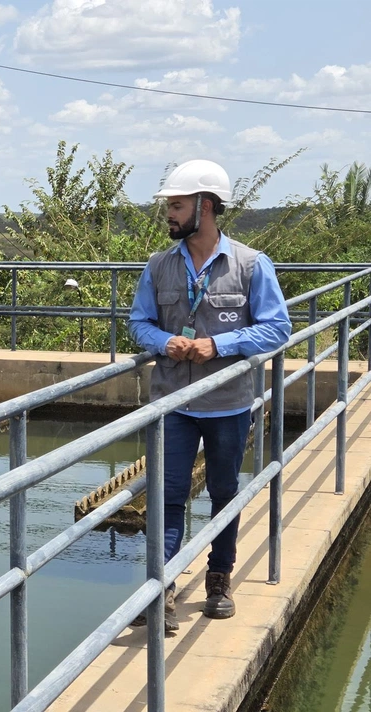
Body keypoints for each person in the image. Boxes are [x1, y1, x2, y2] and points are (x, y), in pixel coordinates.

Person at [128, 159, 291, 632]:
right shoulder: (158, 266)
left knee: (223, 492)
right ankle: (162, 588)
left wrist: (219, 345)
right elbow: (139, 322)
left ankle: (219, 579)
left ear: (206, 206)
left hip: (227, 404)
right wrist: (165, 342)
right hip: (173, 403)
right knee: (169, 496)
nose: (169, 214)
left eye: (177, 205)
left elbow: (277, 328)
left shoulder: (250, 264)